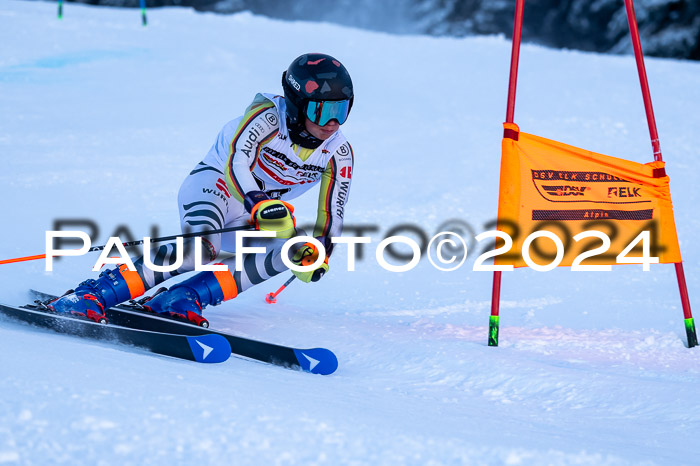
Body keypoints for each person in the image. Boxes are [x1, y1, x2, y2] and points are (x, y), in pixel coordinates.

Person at [48, 53, 355, 325]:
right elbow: (236, 164)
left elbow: (332, 214)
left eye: (341, 111)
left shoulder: (339, 153)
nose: (332, 123)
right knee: (199, 250)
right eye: (321, 111)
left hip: (258, 215)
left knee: (292, 250)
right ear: (297, 104)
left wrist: (320, 253)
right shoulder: (267, 119)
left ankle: (183, 297)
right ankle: (90, 294)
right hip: (217, 188)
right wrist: (259, 203)